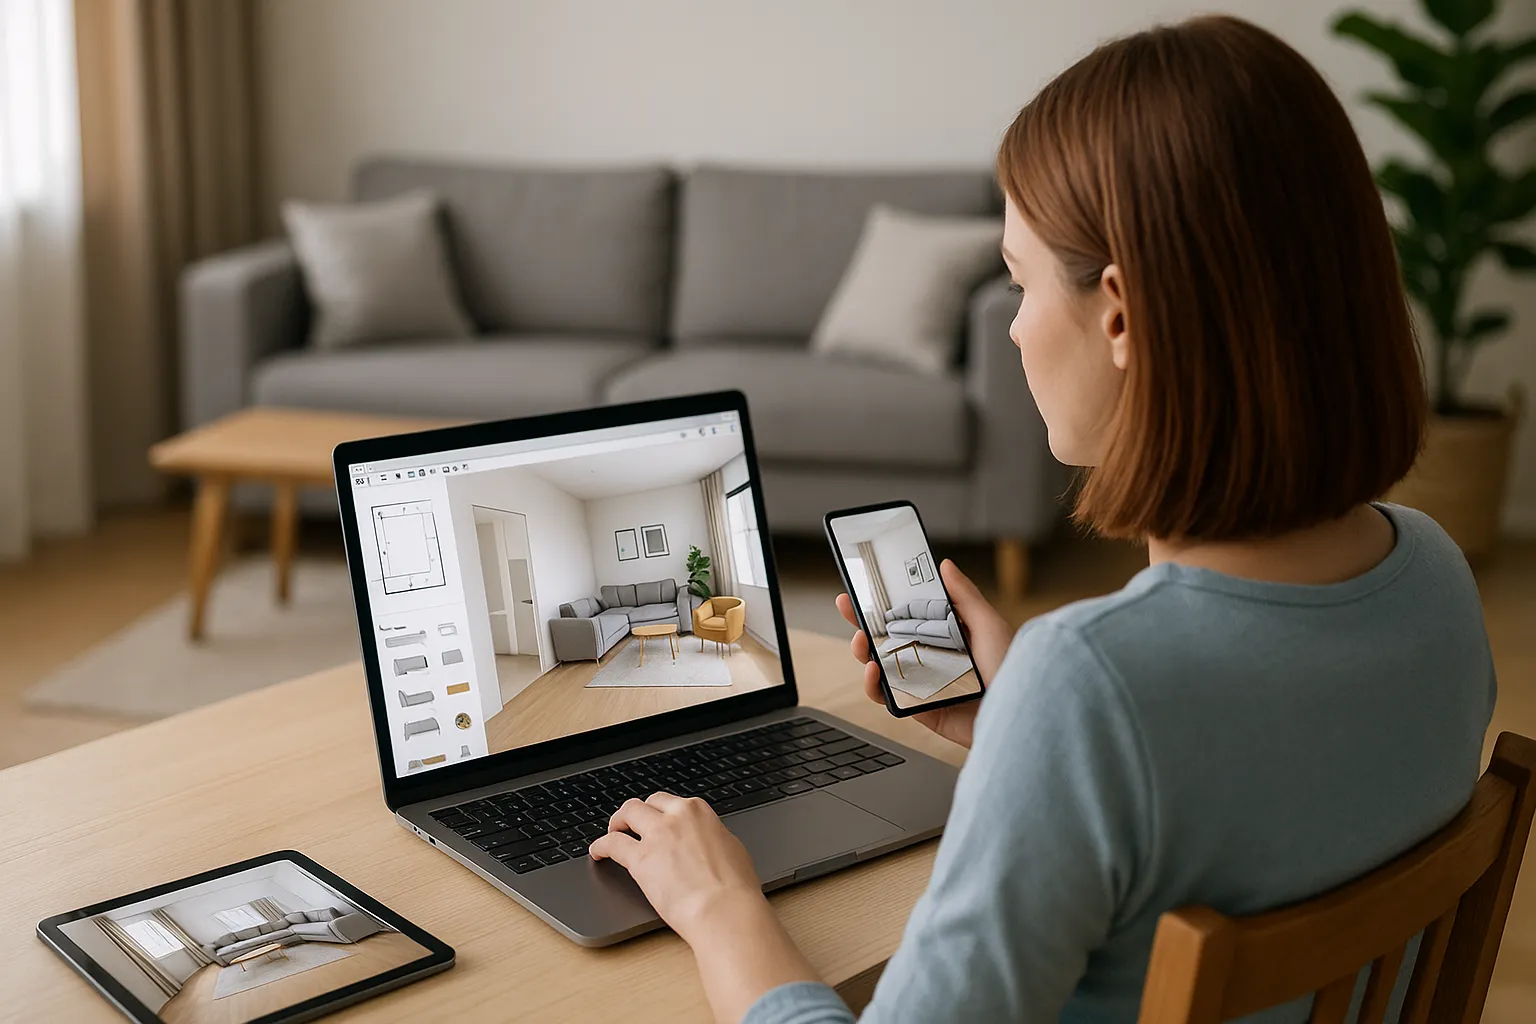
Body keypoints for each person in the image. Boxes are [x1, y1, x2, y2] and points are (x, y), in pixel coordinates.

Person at [587, 15, 1496, 1023]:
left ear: (1120, 314)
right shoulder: (1438, 578)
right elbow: (1257, 777)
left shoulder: (1096, 688)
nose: (1014, 326)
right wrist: (1022, 717)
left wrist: (720, 905)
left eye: (1019, 283)